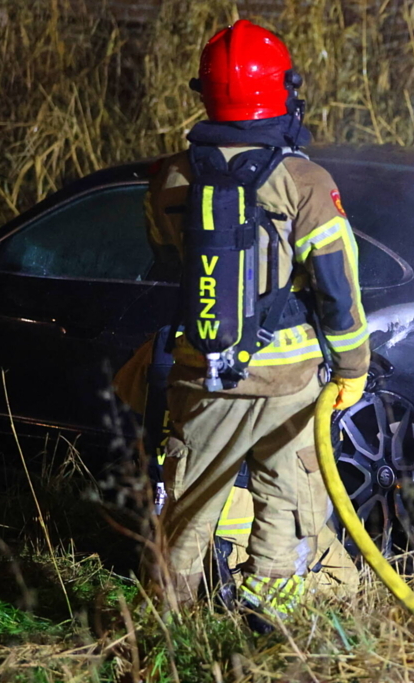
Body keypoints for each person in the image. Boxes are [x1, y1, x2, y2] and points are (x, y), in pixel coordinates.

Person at [142, 19, 369, 620]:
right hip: (290, 382)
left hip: (203, 372)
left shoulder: (169, 178)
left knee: (188, 504)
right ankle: (273, 613)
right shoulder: (305, 181)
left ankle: (170, 625)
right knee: (291, 495)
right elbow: (338, 289)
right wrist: (352, 368)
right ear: (283, 90)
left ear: (206, 92)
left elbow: (170, 269)